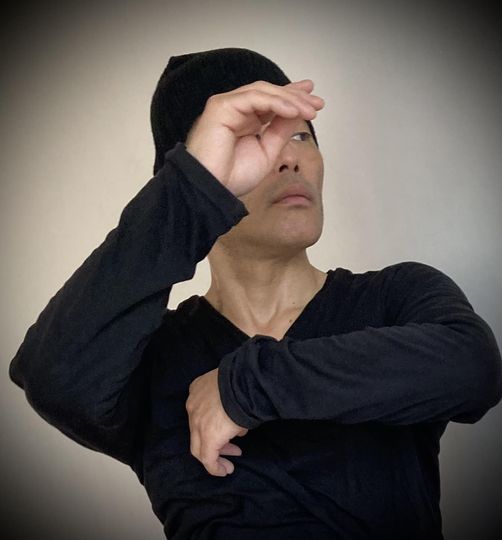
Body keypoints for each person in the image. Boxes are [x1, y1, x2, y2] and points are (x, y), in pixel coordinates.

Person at [8, 47, 502, 540]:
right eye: (252, 138)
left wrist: (246, 386)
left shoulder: (395, 300)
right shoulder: (150, 363)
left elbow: (474, 369)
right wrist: (189, 192)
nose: (290, 158)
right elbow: (55, 380)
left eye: (301, 135)